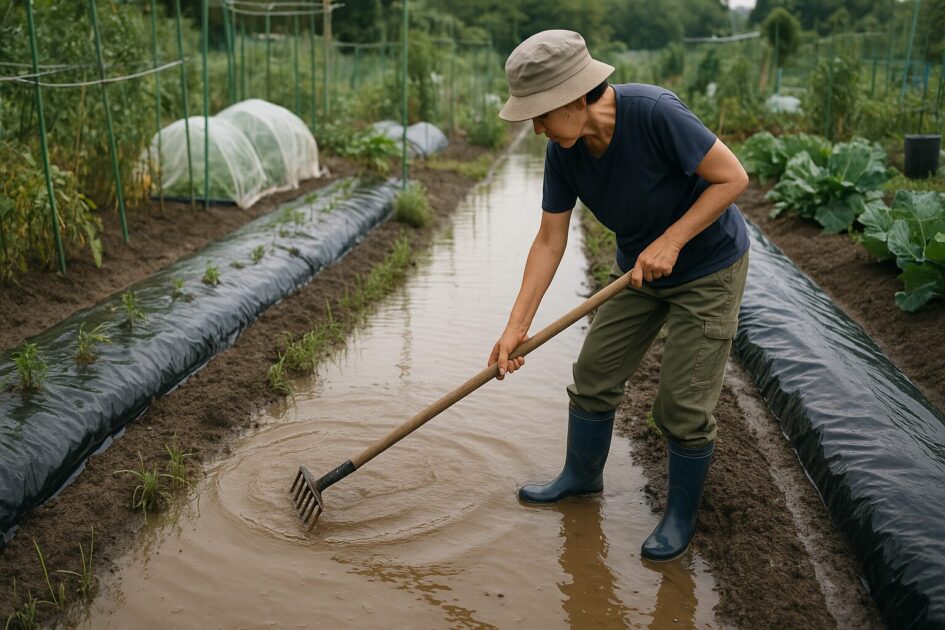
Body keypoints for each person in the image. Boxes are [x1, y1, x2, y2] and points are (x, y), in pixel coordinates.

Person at [489, 30, 750, 562]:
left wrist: (674, 240)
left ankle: (680, 515)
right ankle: (581, 478)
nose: (536, 126)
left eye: (540, 112)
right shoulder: (565, 151)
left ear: (575, 96)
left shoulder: (654, 113)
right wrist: (515, 326)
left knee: (681, 403)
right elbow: (549, 240)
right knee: (594, 375)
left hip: (706, 266)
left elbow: (732, 177)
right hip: (639, 273)